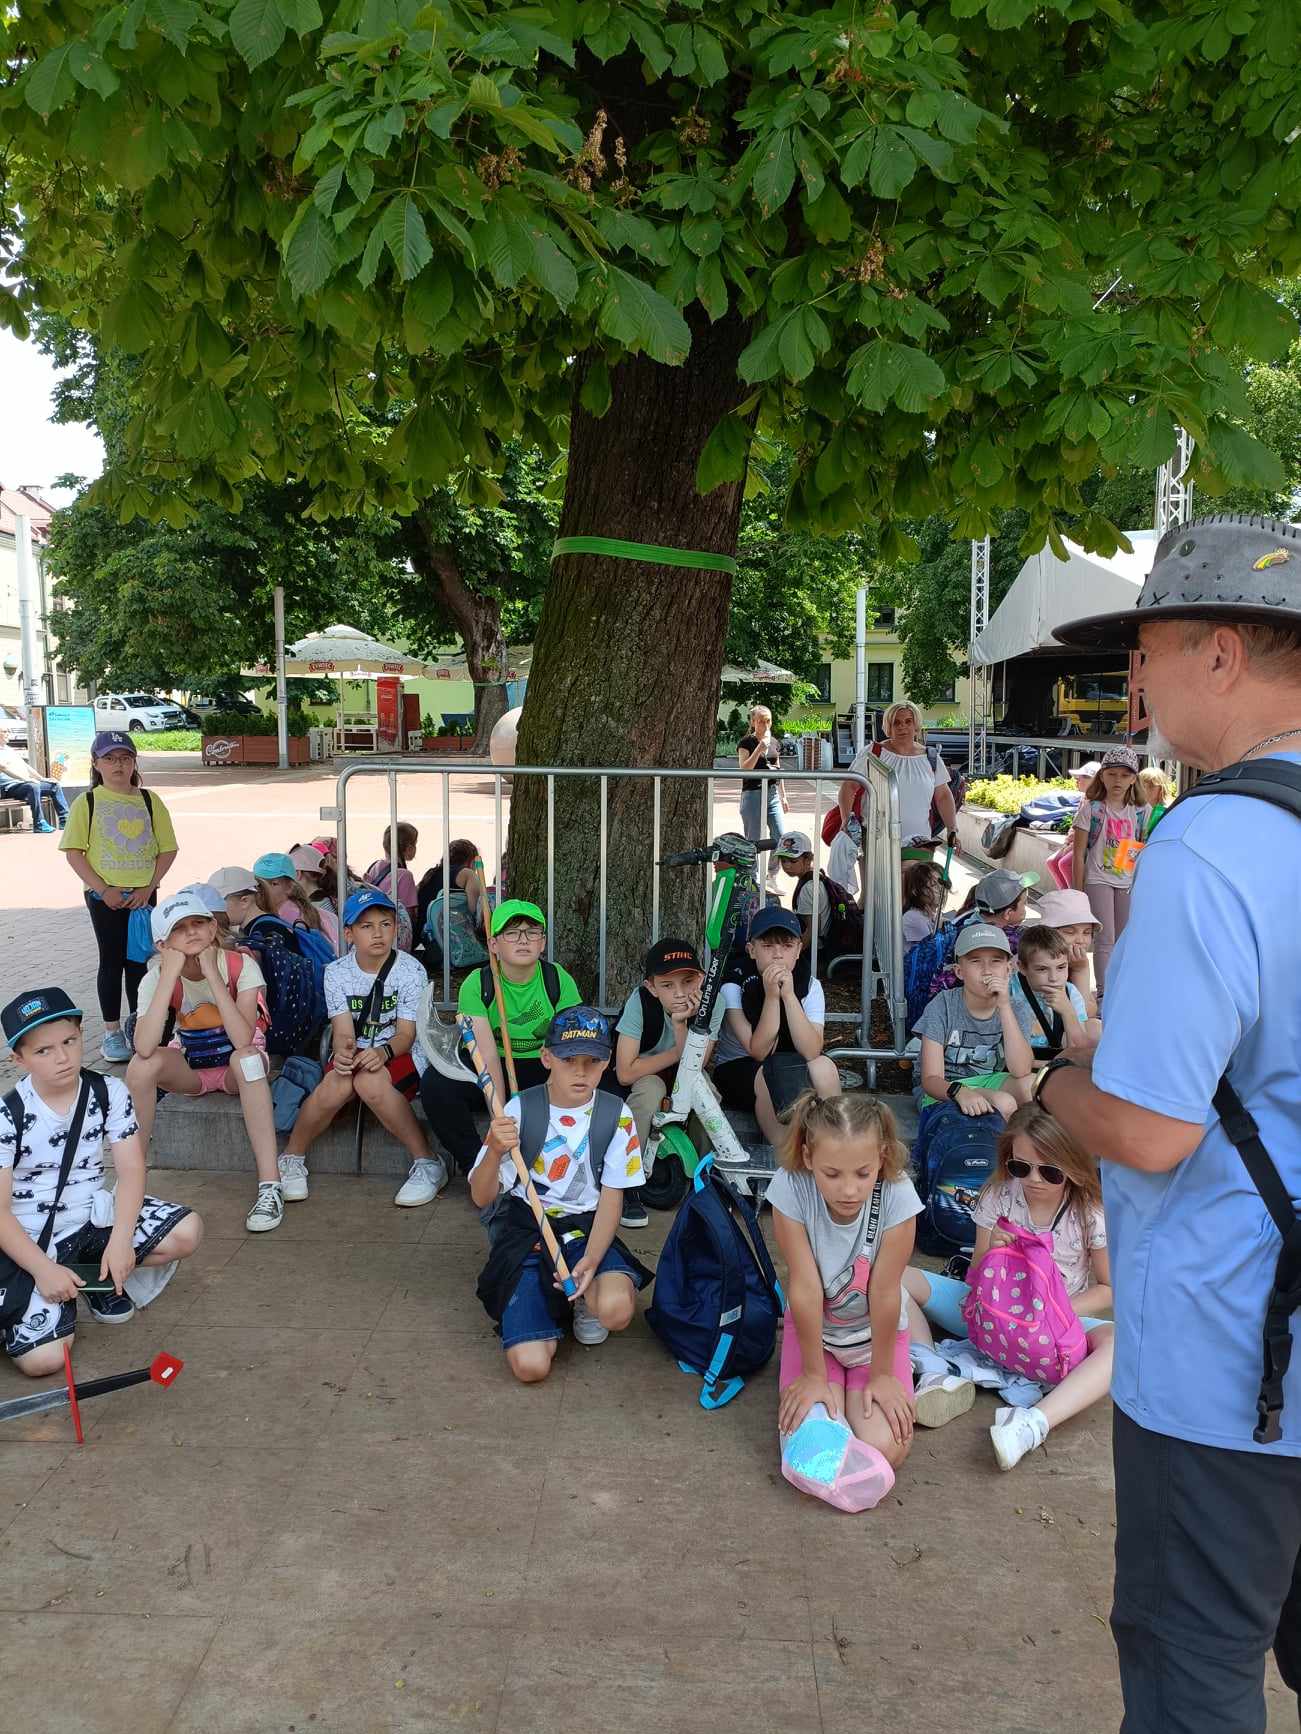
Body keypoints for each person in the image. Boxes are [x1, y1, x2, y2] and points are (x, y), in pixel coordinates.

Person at [1039, 513, 1301, 1730]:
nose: (1130, 679)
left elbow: (1147, 1134)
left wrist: (1057, 1085)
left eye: (1143, 649)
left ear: (1221, 654)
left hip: (1229, 1363)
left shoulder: (1212, 844)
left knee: (1192, 1665)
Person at [0, 986, 202, 1374]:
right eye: (43, 1051)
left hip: (91, 1221)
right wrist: (42, 1269)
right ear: (18, 1058)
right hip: (30, 1240)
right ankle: (50, 1296)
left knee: (187, 1232)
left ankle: (97, 1282)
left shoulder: (107, 1091)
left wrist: (122, 1240)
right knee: (45, 1360)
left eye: (70, 1041)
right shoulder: (9, 1114)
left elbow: (130, 1169)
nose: (62, 1057)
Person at [904, 1103, 1113, 1469]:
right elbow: (975, 1276)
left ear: (1075, 1165)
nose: (1033, 1179)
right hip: (991, 1316)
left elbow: (1109, 1289)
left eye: (1050, 1171)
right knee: (896, 1277)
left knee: (1120, 1346)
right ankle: (933, 1369)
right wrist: (992, 1253)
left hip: (1052, 1331)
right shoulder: (999, 1194)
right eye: (1020, 1167)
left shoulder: (1088, 1212)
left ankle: (1032, 1424)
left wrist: (1057, 1311)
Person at [470, 1007, 651, 1383]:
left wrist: (591, 1260)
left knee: (615, 1311)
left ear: (606, 1062)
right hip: (528, 1230)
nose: (581, 1072)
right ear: (547, 1057)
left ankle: (583, 1296)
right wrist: (494, 1151)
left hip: (586, 1227)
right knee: (531, 1368)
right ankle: (548, 1301)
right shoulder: (519, 1110)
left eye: (594, 1061)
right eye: (569, 1060)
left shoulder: (615, 1114)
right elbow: (481, 1197)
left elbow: (611, 1199)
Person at [770, 1092, 919, 1475]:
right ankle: (829, 1385)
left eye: (863, 1174)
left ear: (882, 1157)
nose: (849, 1190)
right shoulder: (790, 1186)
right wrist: (813, 1375)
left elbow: (886, 1291)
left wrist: (883, 1375)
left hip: (875, 1342)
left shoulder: (899, 1194)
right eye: (831, 1174)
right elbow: (803, 1286)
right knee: (817, 1458)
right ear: (807, 1159)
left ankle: (911, 1369)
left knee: (884, 1449)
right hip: (816, 1337)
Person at [278, 887, 448, 1210]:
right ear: (349, 933)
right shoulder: (337, 973)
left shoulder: (411, 970)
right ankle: (291, 1157)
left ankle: (427, 1162)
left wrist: (382, 1053)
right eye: (367, 926)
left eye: (386, 924)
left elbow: (406, 1034)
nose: (378, 934)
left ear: (396, 928)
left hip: (400, 1053)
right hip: (359, 1050)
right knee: (336, 1084)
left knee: (369, 1081)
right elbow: (343, 1030)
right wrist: (344, 1052)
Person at [127, 890, 282, 1235]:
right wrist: (169, 976)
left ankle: (270, 1184)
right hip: (192, 1066)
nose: (192, 932)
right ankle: (130, 1186)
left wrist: (213, 974)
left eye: (198, 923)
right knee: (140, 1066)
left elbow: (243, 1039)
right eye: (180, 928)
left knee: (248, 1061)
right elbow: (144, 1046)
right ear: (163, 943)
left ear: (213, 927)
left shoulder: (241, 965)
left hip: (234, 1065)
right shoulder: (155, 978)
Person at [419, 899, 582, 1174]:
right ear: (494, 944)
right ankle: (479, 1169)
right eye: (511, 932)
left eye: (532, 932)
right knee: (436, 1086)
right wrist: (502, 1117)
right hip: (494, 1062)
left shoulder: (558, 979)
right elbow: (488, 1056)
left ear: (542, 943)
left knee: (606, 1087)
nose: (523, 940)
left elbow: (567, 1045)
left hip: (544, 1064)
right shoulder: (477, 984)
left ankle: (606, 1180)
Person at [60, 731, 177, 1064]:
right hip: (104, 897)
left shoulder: (150, 801)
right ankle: (111, 1033)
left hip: (144, 896)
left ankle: (139, 1025)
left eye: (125, 758)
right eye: (109, 758)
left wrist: (148, 888)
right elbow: (74, 852)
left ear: (134, 762)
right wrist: (103, 889)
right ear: (96, 764)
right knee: (111, 962)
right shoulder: (88, 802)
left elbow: (167, 850)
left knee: (138, 962)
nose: (118, 765)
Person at [711, 906, 839, 1146]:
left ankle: (831, 1144)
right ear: (752, 950)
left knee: (824, 1066)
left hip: (791, 1063)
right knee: (768, 1073)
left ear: (799, 950)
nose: (777, 955)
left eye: (787, 946)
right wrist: (771, 997)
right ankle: (783, 1152)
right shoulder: (734, 986)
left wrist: (789, 997)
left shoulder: (809, 986)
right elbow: (758, 1051)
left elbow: (811, 1050)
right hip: (741, 1070)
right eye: (768, 946)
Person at [613, 938, 708, 1229]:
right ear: (651, 987)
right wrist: (678, 1051)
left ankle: (707, 1180)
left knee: (707, 1094)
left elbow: (697, 1065)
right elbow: (625, 1072)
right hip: (646, 1072)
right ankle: (627, 1184)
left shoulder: (710, 1002)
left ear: (701, 978)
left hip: (685, 1071)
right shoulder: (640, 1002)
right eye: (667, 985)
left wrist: (681, 1026)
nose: (680, 993)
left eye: (689, 981)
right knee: (648, 1093)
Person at [915, 923, 1036, 1119]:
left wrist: (1004, 1007)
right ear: (959, 971)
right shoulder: (942, 1005)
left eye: (996, 961)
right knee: (1003, 1103)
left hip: (989, 1080)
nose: (987, 970)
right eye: (976, 961)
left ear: (1009, 969)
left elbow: (1021, 1070)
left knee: (1032, 1085)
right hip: (945, 1088)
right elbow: (930, 1080)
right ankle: (1002, 1148)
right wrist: (960, 1092)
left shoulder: (1015, 1007)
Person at [1070, 744, 1151, 997]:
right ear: (1102, 775)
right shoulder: (1091, 809)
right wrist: (1078, 892)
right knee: (1105, 940)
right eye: (1112, 773)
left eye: (1125, 775)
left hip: (1127, 881)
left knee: (1125, 938)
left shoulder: (1141, 812)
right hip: (1097, 879)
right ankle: (1105, 993)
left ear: (1134, 779)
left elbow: (1145, 849)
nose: (1118, 780)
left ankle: (1122, 989)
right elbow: (1079, 854)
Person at [839, 700, 957, 852]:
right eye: (896, 723)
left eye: (908, 721)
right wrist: (846, 821)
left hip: (920, 843)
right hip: (878, 844)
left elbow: (943, 796)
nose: (902, 727)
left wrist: (952, 829)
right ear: (888, 727)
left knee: (919, 876)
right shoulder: (873, 753)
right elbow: (848, 786)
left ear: (916, 725)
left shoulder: (930, 757)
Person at [925, 867, 1036, 1003]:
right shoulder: (1010, 940)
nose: (1025, 908)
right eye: (1024, 904)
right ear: (1008, 913)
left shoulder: (967, 921)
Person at [1010, 925, 1101, 1057]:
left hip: (1056, 1054)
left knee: (1095, 1029)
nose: (1053, 978)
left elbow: (1079, 1050)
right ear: (1022, 967)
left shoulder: (1070, 992)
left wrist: (1067, 1011)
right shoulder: (1010, 990)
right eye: (1042, 969)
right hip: (1021, 1059)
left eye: (1061, 967)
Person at [736, 705, 786, 894]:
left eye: (768, 721)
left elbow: (778, 768)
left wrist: (784, 795)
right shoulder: (746, 742)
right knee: (754, 839)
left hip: (772, 793)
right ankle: (752, 879)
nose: (764, 725)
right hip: (753, 793)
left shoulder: (774, 742)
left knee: (780, 835)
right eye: (760, 721)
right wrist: (758, 749)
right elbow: (744, 768)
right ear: (753, 722)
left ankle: (772, 876)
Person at [1035, 887, 1103, 1016]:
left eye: (1087, 932)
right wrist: (1080, 971)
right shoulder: (1037, 962)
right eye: (1069, 932)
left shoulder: (1076, 961)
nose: (1080, 940)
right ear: (1047, 932)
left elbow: (1089, 1011)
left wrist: (1081, 970)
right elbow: (1080, 1015)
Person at [252, 850, 339, 949]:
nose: (262, 890)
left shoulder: (280, 921)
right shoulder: (320, 914)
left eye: (274, 883)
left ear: (290, 887)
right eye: (258, 885)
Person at [0, 724, 68, 833]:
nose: (8, 733)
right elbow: (4, 768)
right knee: (33, 786)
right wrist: (26, 779)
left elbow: (26, 766)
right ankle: (39, 823)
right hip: (9, 788)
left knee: (54, 786)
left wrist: (43, 779)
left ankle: (65, 821)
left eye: (8, 731)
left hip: (23, 784)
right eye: (5, 731)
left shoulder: (9, 750)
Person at [772, 830, 830, 946]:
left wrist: (792, 953)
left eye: (793, 861)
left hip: (815, 951)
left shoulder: (808, 888)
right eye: (783, 861)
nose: (787, 866)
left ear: (808, 859)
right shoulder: (816, 875)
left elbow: (812, 931)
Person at [365, 823, 420, 928]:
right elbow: (409, 915)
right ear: (409, 848)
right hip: (393, 931)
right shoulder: (405, 875)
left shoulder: (375, 866)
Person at [901, 860, 946, 957]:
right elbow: (933, 955)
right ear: (915, 891)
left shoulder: (928, 916)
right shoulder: (914, 918)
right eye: (933, 885)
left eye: (942, 884)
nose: (940, 890)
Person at [209, 865, 261, 935]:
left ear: (245, 901)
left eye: (220, 904)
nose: (214, 911)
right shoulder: (252, 929)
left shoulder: (264, 928)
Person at [1137, 765, 1173, 834]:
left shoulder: (1166, 812)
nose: (1145, 790)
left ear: (1161, 789)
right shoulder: (1134, 810)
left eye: (1151, 786)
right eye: (1142, 786)